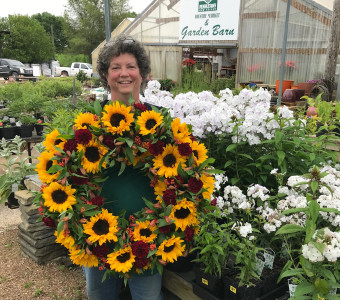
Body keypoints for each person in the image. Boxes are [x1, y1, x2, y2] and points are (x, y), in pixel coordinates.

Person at [83, 35, 164, 300]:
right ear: (106, 75)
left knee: (148, 297)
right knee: (99, 295)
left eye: (131, 66)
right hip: (98, 229)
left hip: (147, 231)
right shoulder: (90, 122)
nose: (123, 73)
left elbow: (181, 178)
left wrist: (172, 226)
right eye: (115, 67)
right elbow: (75, 174)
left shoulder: (160, 120)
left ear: (142, 73)